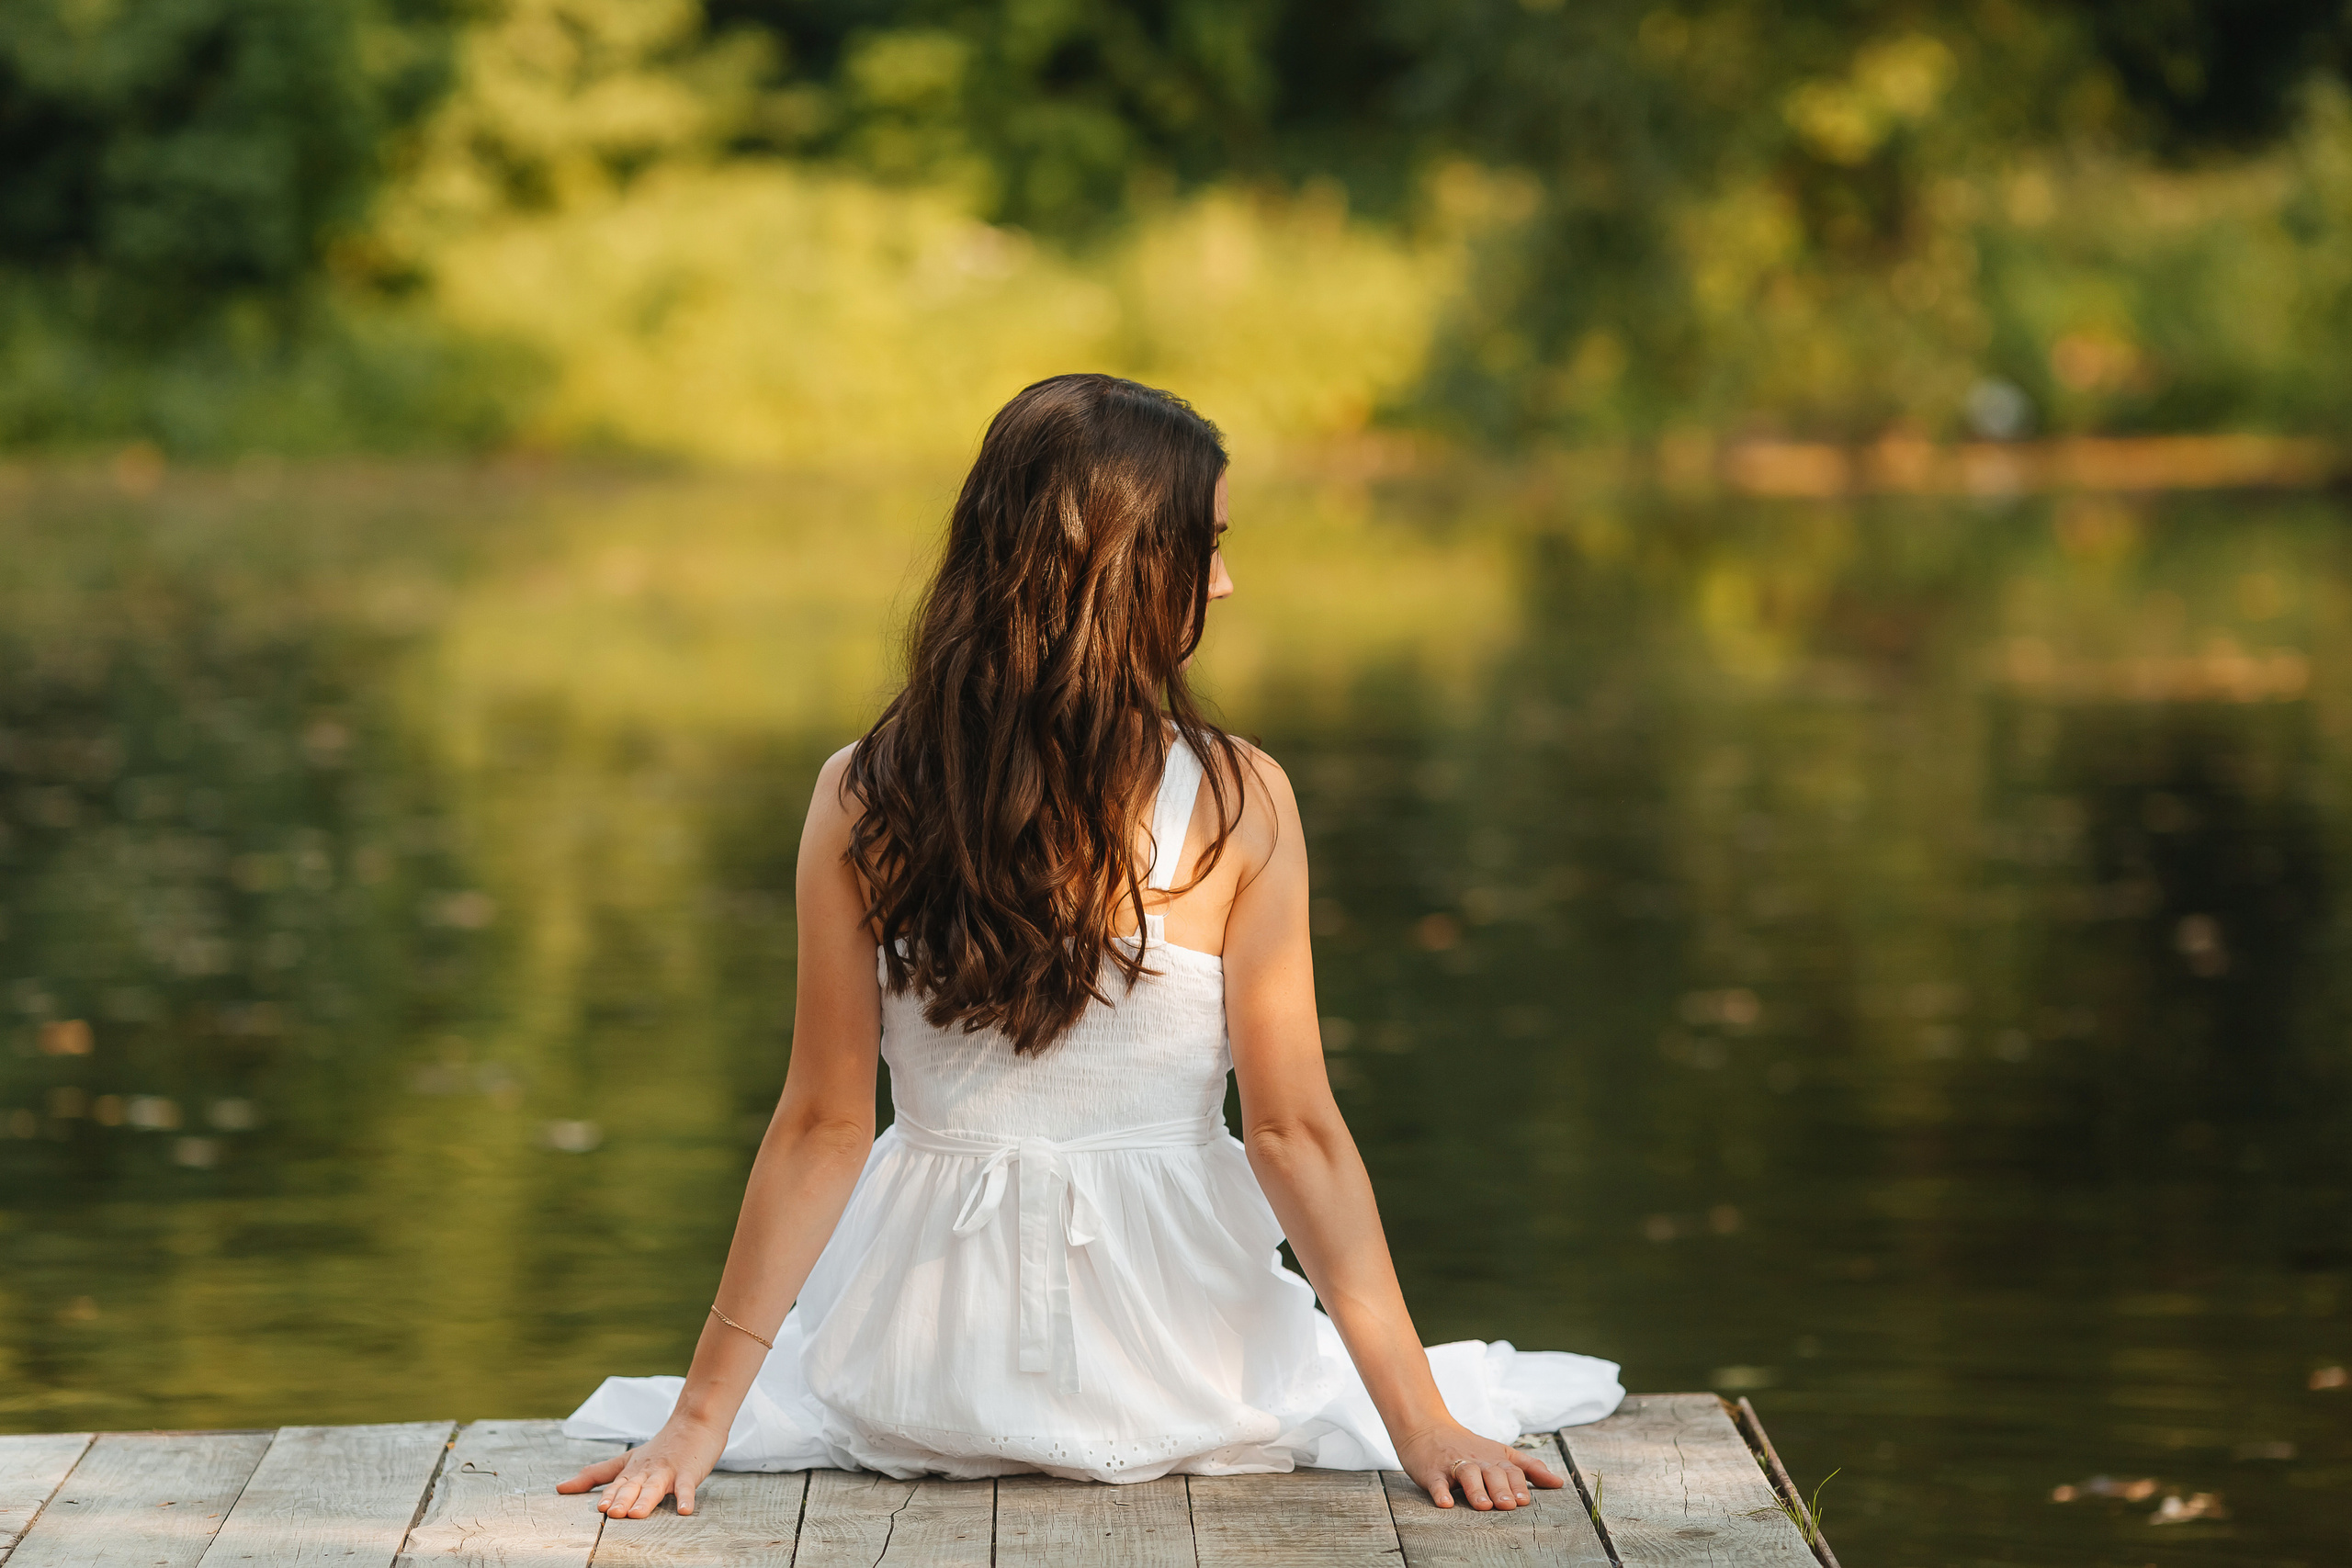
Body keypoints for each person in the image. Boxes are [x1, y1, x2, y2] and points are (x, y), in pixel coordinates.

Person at [556, 373, 1623, 1520]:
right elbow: (1291, 1131)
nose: (1226, 579)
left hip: (916, 1373)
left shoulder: (861, 793)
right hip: (1182, 1371)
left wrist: (702, 1420)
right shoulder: (1239, 798)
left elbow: (821, 1128)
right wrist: (1419, 1419)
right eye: (1201, 548)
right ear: (1114, 568)